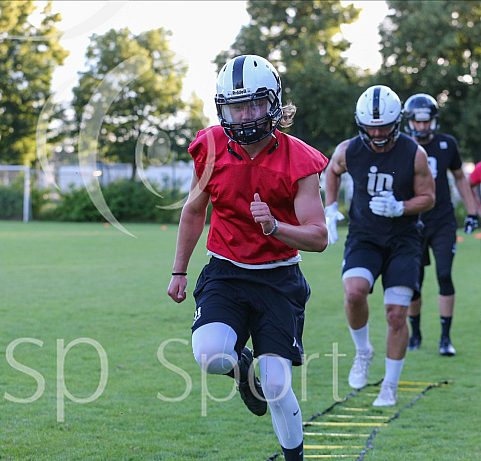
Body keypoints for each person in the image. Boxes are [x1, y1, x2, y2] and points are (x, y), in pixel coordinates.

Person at [167, 55, 328, 461]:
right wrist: (179, 271)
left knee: (275, 383)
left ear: (273, 103)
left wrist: (276, 227)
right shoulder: (210, 146)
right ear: (223, 108)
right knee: (209, 353)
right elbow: (192, 210)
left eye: (254, 104)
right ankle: (242, 366)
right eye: (236, 106)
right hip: (226, 270)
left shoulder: (301, 159)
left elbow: (319, 236)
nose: (246, 115)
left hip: (278, 276)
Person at [324, 85, 435, 407]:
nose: (376, 132)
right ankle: (363, 351)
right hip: (365, 236)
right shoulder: (349, 149)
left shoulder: (415, 152)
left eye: (383, 126)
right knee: (354, 291)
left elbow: (429, 197)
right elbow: (332, 170)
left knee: (396, 314)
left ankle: (390, 383)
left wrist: (401, 207)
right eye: (370, 126)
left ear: (397, 122)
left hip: (403, 240)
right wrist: (330, 209)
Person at [401, 93, 479, 356]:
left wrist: (472, 212)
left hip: (443, 220)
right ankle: (416, 333)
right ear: (410, 121)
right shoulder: (401, 146)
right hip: (414, 222)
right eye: (418, 122)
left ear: (433, 121)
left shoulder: (447, 144)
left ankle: (445, 338)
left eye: (427, 122)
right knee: (414, 282)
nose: (422, 127)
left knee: (444, 275)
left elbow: (460, 177)